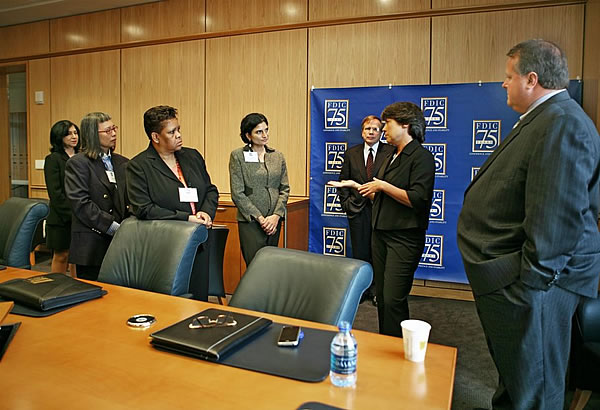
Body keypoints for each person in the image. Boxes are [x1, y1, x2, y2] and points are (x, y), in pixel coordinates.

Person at [457, 39, 600, 409]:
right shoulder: (543, 120)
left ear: (531, 79)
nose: (503, 84)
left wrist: (530, 285)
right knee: (518, 376)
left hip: (535, 288)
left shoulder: (562, 124)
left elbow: (557, 219)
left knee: (534, 387)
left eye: (508, 77)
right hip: (522, 283)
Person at [331, 102, 435, 337]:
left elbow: (418, 199)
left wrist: (383, 186)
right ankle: (386, 343)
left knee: (394, 298)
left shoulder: (421, 157)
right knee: (384, 298)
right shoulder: (392, 155)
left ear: (405, 125)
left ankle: (399, 345)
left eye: (387, 124)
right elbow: (382, 191)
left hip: (404, 237)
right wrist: (356, 186)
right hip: (381, 233)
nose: (383, 130)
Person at [127, 105, 218, 299]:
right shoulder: (138, 166)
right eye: (171, 132)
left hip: (199, 241)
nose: (179, 135)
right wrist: (187, 218)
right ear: (156, 137)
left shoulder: (192, 156)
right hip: (166, 246)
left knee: (198, 300)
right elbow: (144, 209)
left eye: (179, 129)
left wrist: (206, 212)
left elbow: (210, 190)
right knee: (171, 303)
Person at [337, 115, 394, 305]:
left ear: (381, 133)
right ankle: (362, 290)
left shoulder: (390, 152)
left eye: (375, 129)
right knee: (360, 252)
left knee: (379, 252)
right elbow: (343, 180)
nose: (371, 132)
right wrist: (346, 204)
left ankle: (378, 291)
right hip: (357, 211)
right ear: (362, 132)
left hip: (383, 210)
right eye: (367, 129)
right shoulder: (351, 153)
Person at [65, 112, 129, 280]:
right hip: (92, 243)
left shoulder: (123, 162)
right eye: (108, 131)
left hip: (122, 241)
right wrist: (113, 227)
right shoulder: (78, 163)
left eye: (114, 128)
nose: (114, 134)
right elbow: (81, 204)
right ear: (93, 135)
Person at [229, 113, 290, 265]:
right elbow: (238, 193)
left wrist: (276, 216)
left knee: (271, 265)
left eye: (266, 130)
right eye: (259, 132)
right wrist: (261, 219)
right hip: (252, 222)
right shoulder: (238, 156)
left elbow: (284, 189)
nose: (265, 135)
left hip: (274, 221)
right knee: (255, 266)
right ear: (248, 135)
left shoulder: (277, 156)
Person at [43, 120, 80, 275]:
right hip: (61, 217)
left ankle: (76, 288)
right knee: (62, 255)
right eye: (68, 133)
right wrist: (72, 215)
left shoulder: (82, 156)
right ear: (59, 137)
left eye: (75, 132)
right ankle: (55, 289)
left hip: (81, 214)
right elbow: (55, 193)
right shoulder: (53, 159)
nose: (74, 137)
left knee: (78, 257)